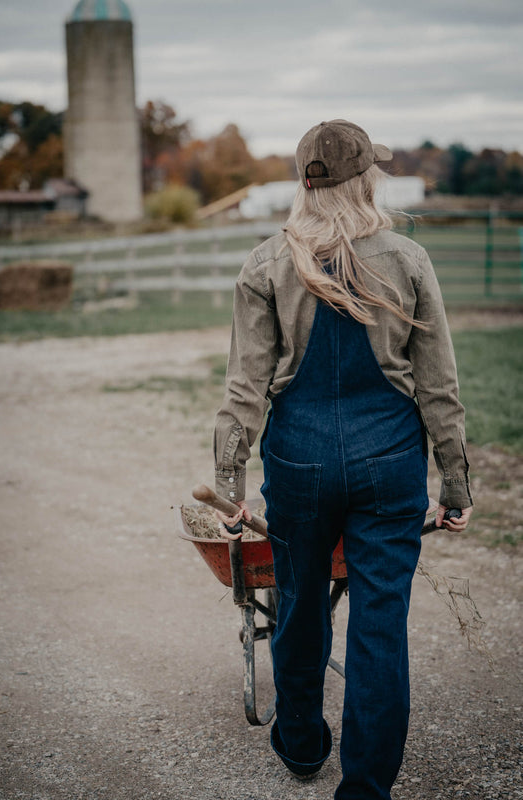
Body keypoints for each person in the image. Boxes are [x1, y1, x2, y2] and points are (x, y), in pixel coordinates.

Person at [213, 119, 473, 800]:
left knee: (299, 603)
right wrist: (454, 483)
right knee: (379, 625)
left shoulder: (267, 262)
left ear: (305, 184)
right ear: (366, 179)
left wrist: (229, 484)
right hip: (388, 462)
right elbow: (438, 385)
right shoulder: (407, 259)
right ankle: (364, 789)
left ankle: (301, 743)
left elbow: (244, 386)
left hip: (298, 463)